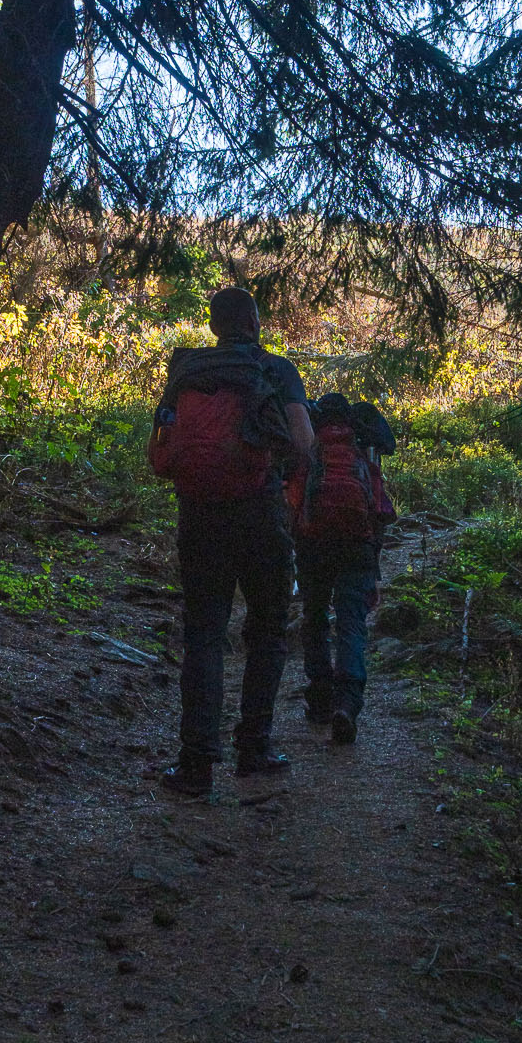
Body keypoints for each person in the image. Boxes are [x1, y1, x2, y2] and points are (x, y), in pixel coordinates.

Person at [148, 286, 313, 797]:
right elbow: (304, 443)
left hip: (199, 517)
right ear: (255, 322)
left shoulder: (187, 372)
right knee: (266, 633)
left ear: (215, 324)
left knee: (203, 636)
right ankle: (253, 749)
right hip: (261, 515)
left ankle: (196, 764)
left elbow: (159, 449)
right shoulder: (277, 370)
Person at [292, 392, 396, 745]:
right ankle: (347, 705)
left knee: (315, 617)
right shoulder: (362, 455)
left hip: (313, 546)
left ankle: (319, 698)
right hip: (357, 546)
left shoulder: (310, 450)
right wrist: (374, 564)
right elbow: (381, 510)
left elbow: (292, 503)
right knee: (352, 622)